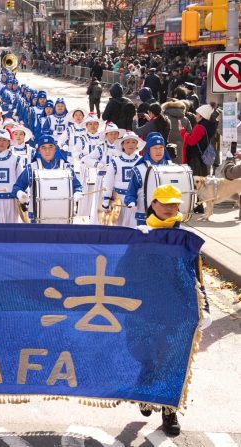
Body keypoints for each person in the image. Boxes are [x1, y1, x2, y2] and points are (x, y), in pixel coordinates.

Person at [136, 183, 212, 436]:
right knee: (147, 356)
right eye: (164, 203)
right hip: (145, 308)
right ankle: (145, 393)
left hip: (177, 309)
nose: (169, 208)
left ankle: (169, 413)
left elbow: (196, 273)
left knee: (173, 360)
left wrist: (205, 307)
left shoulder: (184, 237)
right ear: (153, 205)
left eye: (174, 204)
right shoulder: (140, 234)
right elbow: (124, 272)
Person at [12, 135, 83, 223]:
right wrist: (20, 194)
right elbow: (16, 187)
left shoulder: (66, 167)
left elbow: (78, 187)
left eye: (50, 147)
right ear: (39, 150)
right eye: (43, 147)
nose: (47, 151)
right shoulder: (31, 168)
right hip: (37, 218)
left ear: (55, 149)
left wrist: (77, 193)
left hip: (62, 216)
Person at [123, 132, 175, 225]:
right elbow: (130, 193)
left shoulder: (172, 168)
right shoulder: (139, 169)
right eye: (154, 148)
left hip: (167, 217)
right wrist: (131, 202)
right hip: (144, 217)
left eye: (161, 148)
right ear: (148, 150)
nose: (158, 151)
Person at [101, 131, 143, 227]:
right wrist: (106, 199)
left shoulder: (142, 161)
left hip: (136, 201)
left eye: (133, 142)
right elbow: (108, 182)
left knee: (134, 228)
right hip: (118, 201)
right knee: (118, 228)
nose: (130, 145)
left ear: (137, 145)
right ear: (122, 145)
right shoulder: (115, 162)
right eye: (127, 142)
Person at [180, 104, 216, 178]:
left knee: (195, 181)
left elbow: (191, 141)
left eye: (197, 114)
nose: (195, 116)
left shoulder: (199, 127)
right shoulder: (209, 125)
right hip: (202, 157)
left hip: (195, 159)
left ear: (202, 115)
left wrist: (182, 131)